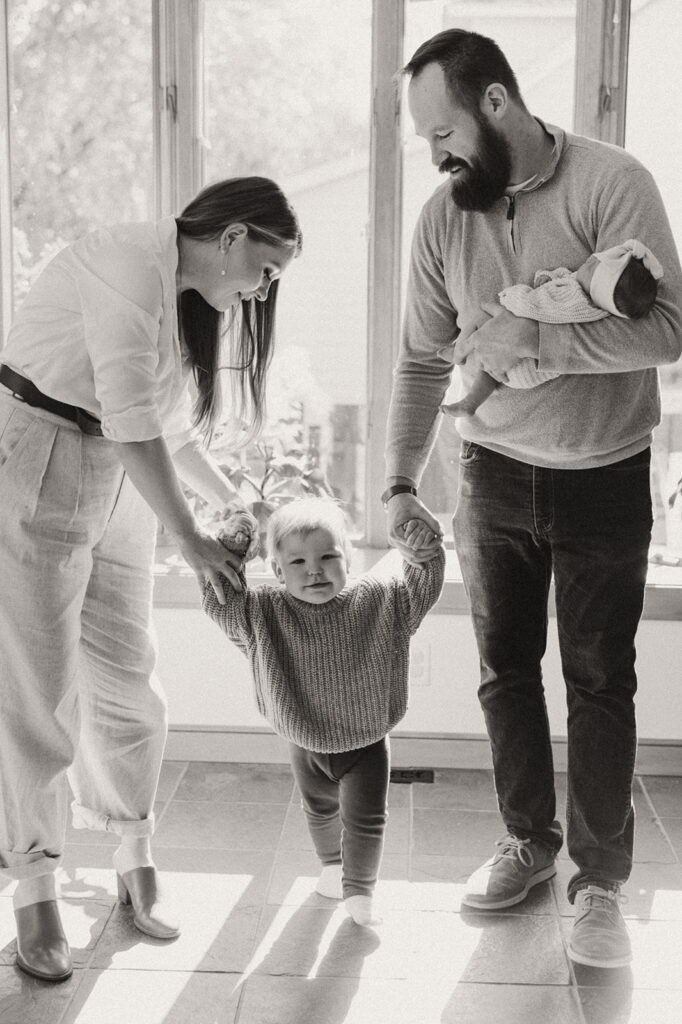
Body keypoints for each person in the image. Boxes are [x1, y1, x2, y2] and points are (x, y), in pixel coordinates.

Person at [382, 28, 682, 969]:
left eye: (443, 132)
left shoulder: (611, 181)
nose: (435, 155)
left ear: (497, 105)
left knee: (600, 681)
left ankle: (600, 884)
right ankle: (528, 845)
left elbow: (668, 330)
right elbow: (425, 359)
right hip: (493, 478)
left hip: (606, 474)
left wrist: (537, 349)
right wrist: (396, 478)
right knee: (503, 670)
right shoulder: (443, 221)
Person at [0, 176, 301, 981]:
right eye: (266, 270)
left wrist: (238, 504)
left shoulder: (185, 295)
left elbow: (162, 430)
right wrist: (194, 541)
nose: (262, 289)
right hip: (37, 451)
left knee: (130, 675)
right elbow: (133, 421)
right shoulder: (127, 264)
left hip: (115, 468)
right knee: (40, 686)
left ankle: (134, 851)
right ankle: (34, 885)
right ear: (233, 237)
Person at [201, 498, 445, 926]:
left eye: (328, 557)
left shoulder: (377, 600)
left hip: (366, 740)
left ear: (347, 559)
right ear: (278, 572)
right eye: (297, 561)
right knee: (319, 812)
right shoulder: (264, 612)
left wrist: (424, 554)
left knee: (367, 820)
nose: (314, 570)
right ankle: (332, 868)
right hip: (304, 738)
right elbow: (222, 603)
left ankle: (361, 891)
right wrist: (230, 554)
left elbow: (419, 591)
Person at [442, 238, 663, 417]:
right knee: (488, 368)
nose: (588, 261)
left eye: (593, 265)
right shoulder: (595, 305)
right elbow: (558, 286)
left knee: (482, 315)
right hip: (536, 366)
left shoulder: (575, 299)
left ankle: (460, 351)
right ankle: (470, 403)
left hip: (527, 365)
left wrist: (513, 295)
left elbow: (536, 308)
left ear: (598, 284)